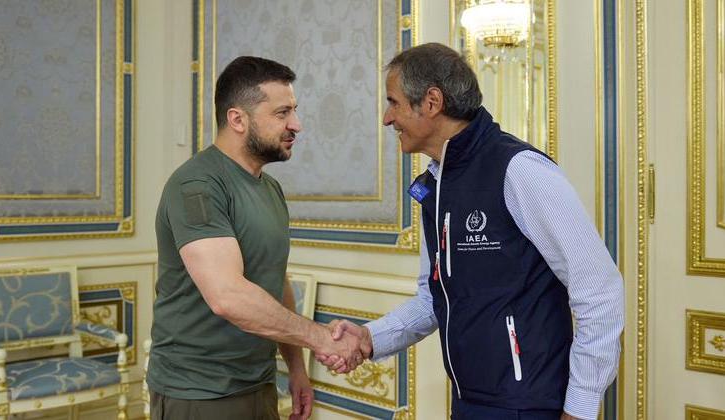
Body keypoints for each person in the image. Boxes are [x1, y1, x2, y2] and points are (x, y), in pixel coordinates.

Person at [318, 43, 625, 420]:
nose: (387, 118)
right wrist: (370, 338)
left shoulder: (519, 169)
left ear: (431, 102)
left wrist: (580, 407)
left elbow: (599, 289)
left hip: (526, 406)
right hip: (469, 401)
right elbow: (433, 298)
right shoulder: (435, 184)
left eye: (393, 102)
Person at [148, 56, 363, 420]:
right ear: (237, 119)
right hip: (199, 392)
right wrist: (321, 338)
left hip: (258, 383)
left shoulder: (270, 188)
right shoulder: (197, 185)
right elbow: (228, 296)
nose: (296, 124)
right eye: (282, 113)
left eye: (294, 111)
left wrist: (296, 368)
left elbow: (275, 279)